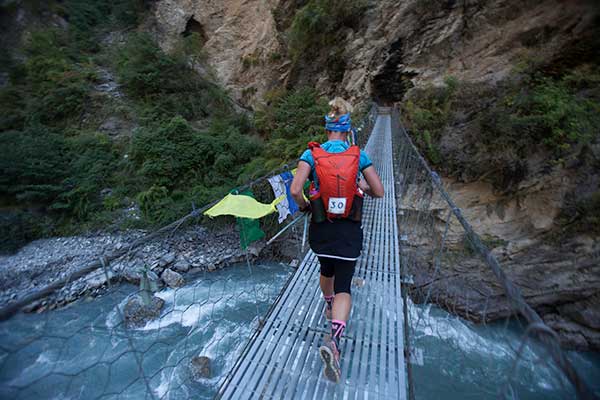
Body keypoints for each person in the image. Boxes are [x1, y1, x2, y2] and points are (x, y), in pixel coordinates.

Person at [290, 97, 384, 383]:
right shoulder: (359, 156)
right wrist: (361, 185)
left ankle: (327, 303)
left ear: (327, 127)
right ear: (348, 128)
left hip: (321, 228)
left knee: (325, 269)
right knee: (345, 283)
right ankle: (335, 339)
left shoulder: (312, 155)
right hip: (348, 230)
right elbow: (379, 191)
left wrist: (307, 206)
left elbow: (295, 190)